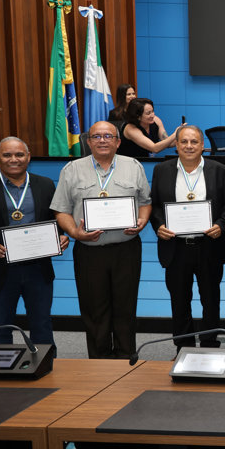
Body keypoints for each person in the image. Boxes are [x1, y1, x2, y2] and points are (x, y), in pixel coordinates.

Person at [50, 120, 152, 358]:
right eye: (96, 137)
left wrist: (142, 221)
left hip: (126, 249)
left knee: (126, 307)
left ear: (118, 142)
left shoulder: (134, 166)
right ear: (88, 142)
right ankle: (99, 360)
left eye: (108, 136)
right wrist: (74, 233)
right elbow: (61, 210)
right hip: (89, 251)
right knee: (94, 309)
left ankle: (127, 357)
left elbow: (145, 203)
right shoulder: (71, 169)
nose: (102, 140)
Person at [0, 136, 68, 345]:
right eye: (7, 155)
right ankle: (1, 370)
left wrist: (62, 235)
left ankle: (45, 368)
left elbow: (57, 217)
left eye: (19, 154)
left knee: (42, 323)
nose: (14, 159)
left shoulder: (44, 185)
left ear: (28, 157)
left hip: (38, 267)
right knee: (0, 325)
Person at [149, 126, 225, 349]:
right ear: (175, 145)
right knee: (179, 301)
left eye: (194, 142)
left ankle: (209, 346)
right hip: (175, 247)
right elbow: (155, 206)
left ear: (202, 145)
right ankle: (183, 348)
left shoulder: (219, 169)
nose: (188, 146)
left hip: (209, 245)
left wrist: (221, 225)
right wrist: (159, 226)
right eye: (184, 142)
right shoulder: (161, 170)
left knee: (210, 300)